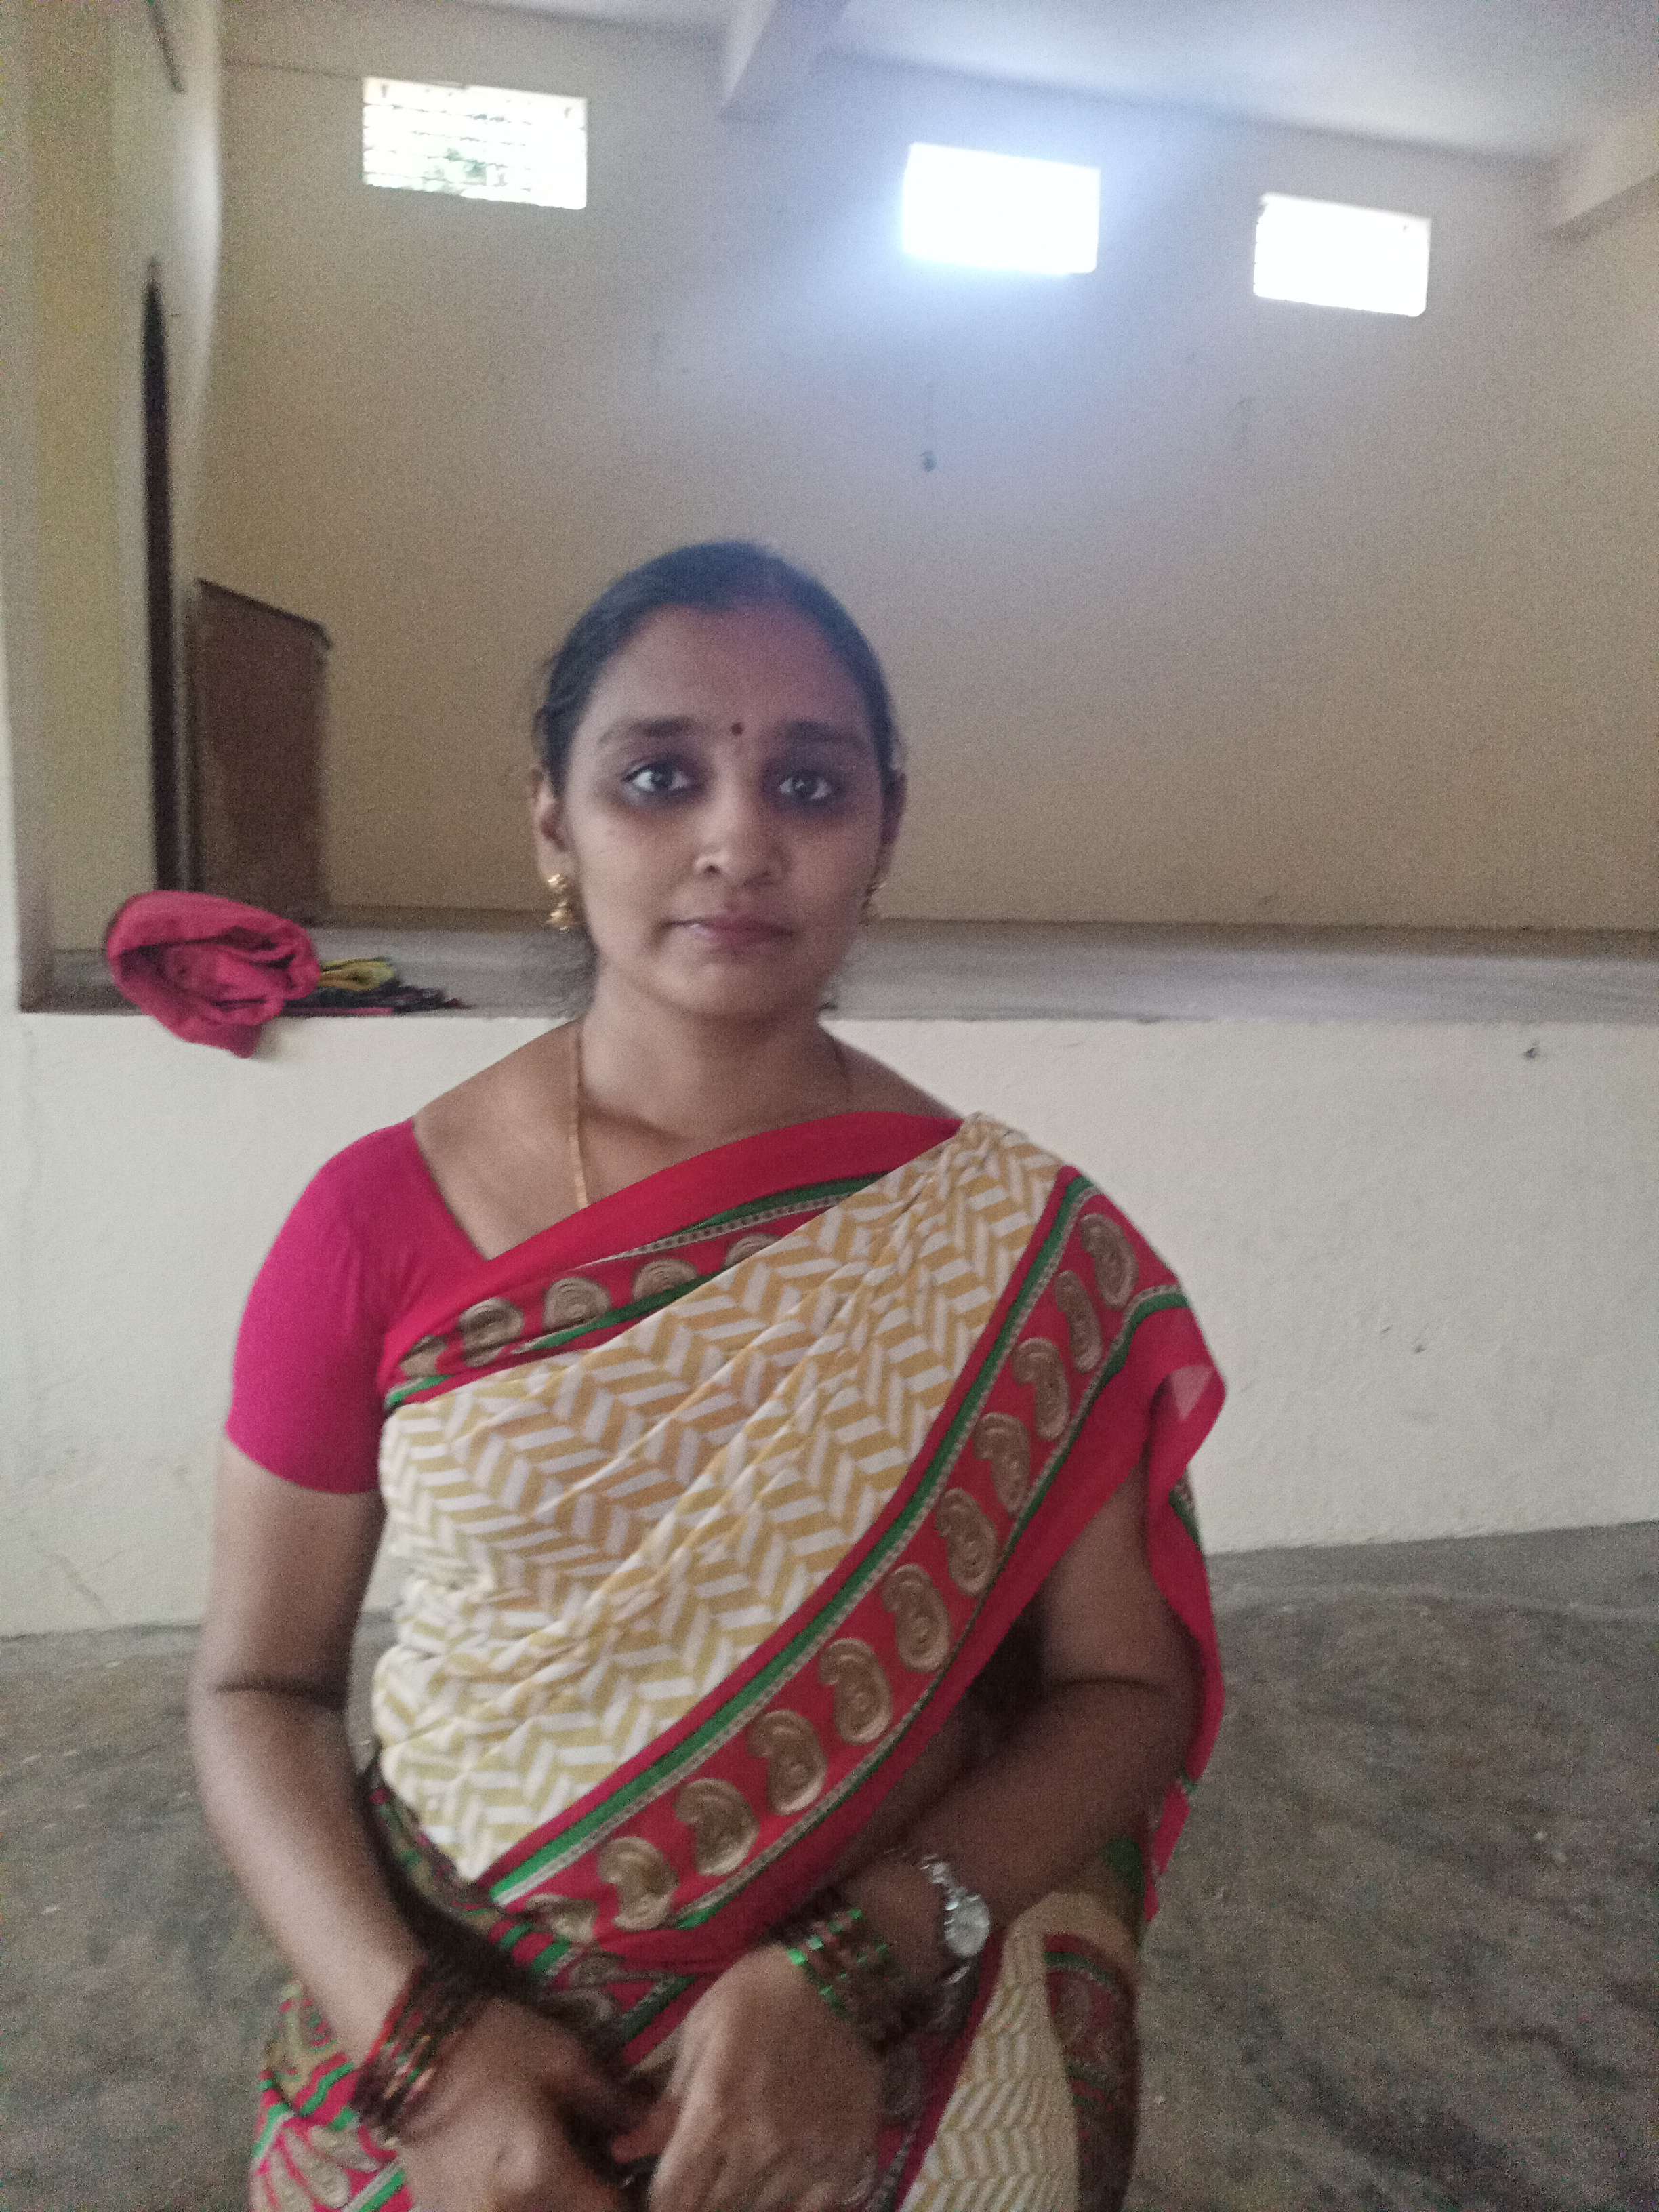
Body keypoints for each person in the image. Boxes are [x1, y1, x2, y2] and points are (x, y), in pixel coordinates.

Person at [191, 541, 1226, 2212]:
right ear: (555, 820)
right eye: (659, 777)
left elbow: (1123, 1689)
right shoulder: (372, 1224)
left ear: (884, 827)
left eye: (809, 785)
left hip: (892, 2013)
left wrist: (866, 1964)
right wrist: (424, 2056)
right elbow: (257, 1687)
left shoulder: (1021, 1246)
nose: (738, 841)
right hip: (452, 2016)